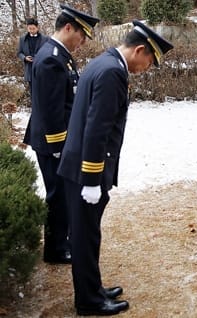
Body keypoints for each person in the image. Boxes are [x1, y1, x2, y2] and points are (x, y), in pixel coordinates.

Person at [57, 20, 173, 316]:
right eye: (150, 61)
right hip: (85, 171)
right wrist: (92, 178)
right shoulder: (112, 72)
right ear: (139, 50)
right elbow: (97, 129)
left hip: (78, 166)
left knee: (88, 234)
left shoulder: (104, 62)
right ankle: (89, 301)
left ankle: (93, 288)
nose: (146, 68)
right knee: (84, 238)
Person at [23, 5, 99, 265]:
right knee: (58, 195)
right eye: (81, 35)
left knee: (62, 194)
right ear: (68, 28)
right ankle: (55, 249)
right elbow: (50, 110)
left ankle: (60, 243)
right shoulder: (51, 58)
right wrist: (59, 147)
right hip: (51, 142)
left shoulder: (60, 55)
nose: (83, 42)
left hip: (57, 139)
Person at [17, 17, 48, 94]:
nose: (31, 30)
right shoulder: (22, 39)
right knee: (32, 93)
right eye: (29, 28)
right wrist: (25, 58)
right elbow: (19, 53)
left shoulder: (45, 39)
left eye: (33, 28)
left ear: (37, 27)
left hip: (42, 68)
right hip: (29, 69)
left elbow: (48, 52)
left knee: (43, 92)